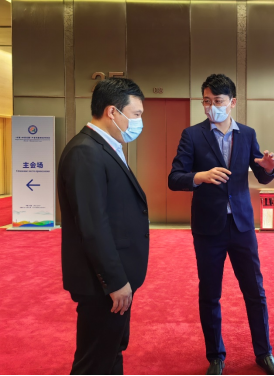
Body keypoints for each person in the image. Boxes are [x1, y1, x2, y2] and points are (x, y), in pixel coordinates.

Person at [169, 74, 274, 376]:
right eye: (206, 101)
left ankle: (264, 353)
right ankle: (216, 356)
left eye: (217, 101)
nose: (211, 107)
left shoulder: (247, 134)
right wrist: (200, 176)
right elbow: (175, 177)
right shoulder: (192, 135)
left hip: (242, 225)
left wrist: (268, 169)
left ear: (232, 102)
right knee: (210, 293)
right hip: (208, 228)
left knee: (255, 291)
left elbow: (261, 173)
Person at [58, 78, 149, 375]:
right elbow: (93, 225)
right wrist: (115, 281)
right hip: (102, 285)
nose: (139, 122)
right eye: (136, 114)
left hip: (113, 279)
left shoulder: (107, 146)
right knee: (94, 361)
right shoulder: (86, 152)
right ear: (112, 112)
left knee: (111, 351)